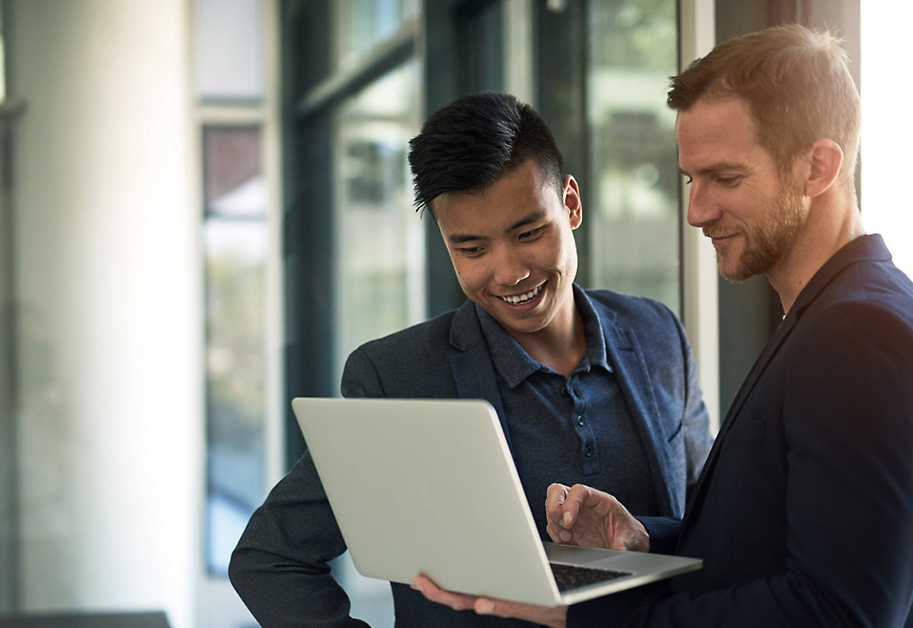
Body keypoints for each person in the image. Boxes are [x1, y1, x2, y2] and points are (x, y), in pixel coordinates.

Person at [413, 23, 913, 628]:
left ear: (818, 168)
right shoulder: (840, 316)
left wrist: (582, 618)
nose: (696, 211)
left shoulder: (860, 336)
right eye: (690, 179)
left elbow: (833, 614)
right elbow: (784, 548)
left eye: (725, 179)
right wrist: (645, 541)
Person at [229, 92, 714, 627]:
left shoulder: (657, 333)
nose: (508, 272)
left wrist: (643, 536)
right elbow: (270, 557)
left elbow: (712, 526)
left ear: (571, 204)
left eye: (528, 233)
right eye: (472, 249)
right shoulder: (398, 379)